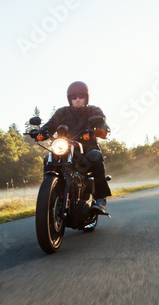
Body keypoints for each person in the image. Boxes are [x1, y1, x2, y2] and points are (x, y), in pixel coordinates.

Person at [38, 81, 111, 212]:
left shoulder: (94, 110)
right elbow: (49, 126)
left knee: (95, 156)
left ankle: (100, 198)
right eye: (74, 97)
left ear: (86, 97)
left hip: (87, 148)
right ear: (70, 99)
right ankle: (49, 197)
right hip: (65, 148)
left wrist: (100, 130)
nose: (77, 100)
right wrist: (40, 132)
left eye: (81, 96)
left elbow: (104, 128)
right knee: (47, 160)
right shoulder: (62, 112)